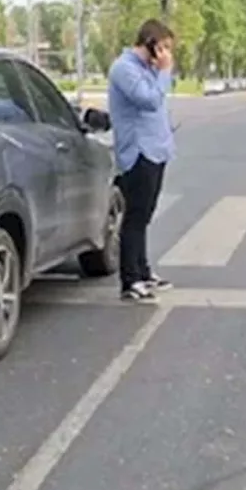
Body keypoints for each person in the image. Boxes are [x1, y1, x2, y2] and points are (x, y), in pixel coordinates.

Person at [107, 19, 177, 303]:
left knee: (145, 216)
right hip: (138, 153)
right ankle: (130, 279)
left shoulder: (148, 69)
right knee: (135, 217)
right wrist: (164, 72)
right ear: (150, 43)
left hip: (156, 150)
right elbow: (148, 101)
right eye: (164, 48)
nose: (167, 54)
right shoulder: (124, 69)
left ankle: (144, 271)